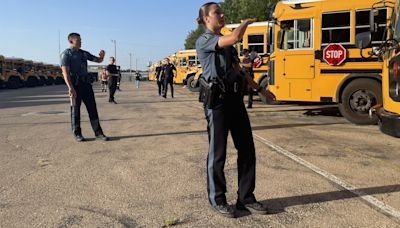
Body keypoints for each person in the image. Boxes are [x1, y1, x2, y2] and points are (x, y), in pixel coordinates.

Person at [196, 2, 275, 218]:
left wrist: (260, 89)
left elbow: (239, 71)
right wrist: (245, 24)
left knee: (247, 149)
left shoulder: (228, 46)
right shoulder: (205, 40)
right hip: (218, 102)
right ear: (205, 19)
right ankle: (217, 199)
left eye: (222, 11)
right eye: (216, 12)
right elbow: (235, 37)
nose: (221, 14)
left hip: (235, 100)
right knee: (218, 153)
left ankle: (246, 198)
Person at [60, 32, 108, 142]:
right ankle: (77, 133)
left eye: (81, 40)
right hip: (75, 85)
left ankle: (98, 133)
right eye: (78, 40)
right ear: (71, 41)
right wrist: (70, 88)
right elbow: (65, 73)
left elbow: (98, 60)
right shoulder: (66, 54)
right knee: (75, 110)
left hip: (86, 85)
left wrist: (102, 56)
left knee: (92, 108)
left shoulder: (83, 53)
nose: (81, 42)